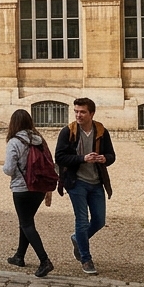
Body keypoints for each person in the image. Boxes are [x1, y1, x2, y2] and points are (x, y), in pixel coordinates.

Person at [55, 97, 115, 276]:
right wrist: (82, 158)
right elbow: (59, 157)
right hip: (76, 182)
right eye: (76, 111)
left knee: (99, 220)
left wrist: (104, 159)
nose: (78, 115)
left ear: (91, 113)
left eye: (82, 112)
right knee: (81, 220)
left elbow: (111, 155)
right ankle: (86, 258)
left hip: (97, 182)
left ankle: (77, 239)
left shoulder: (101, 131)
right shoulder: (68, 131)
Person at [3, 109, 54, 277]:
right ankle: (19, 256)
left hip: (21, 187)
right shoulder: (40, 140)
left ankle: (44, 260)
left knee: (26, 224)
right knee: (26, 221)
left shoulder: (14, 142)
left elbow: (9, 169)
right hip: (38, 187)